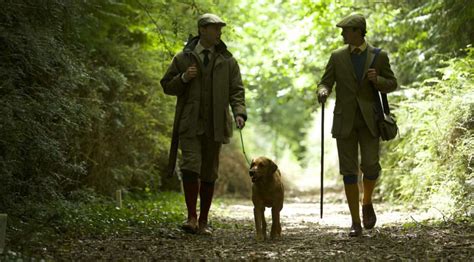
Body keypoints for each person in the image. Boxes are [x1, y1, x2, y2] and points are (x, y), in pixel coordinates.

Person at [161, 13, 246, 235]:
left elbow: (237, 91)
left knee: (209, 172)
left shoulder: (228, 61)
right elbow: (167, 86)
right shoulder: (183, 58)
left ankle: (204, 221)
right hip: (190, 123)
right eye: (215, 28)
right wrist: (183, 78)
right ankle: (191, 217)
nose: (220, 32)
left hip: (216, 124)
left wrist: (239, 113)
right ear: (202, 30)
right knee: (190, 166)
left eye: (220, 28)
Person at [317, 14, 397, 237]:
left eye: (345, 30)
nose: (342, 34)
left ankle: (367, 201)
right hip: (345, 121)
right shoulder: (337, 56)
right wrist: (323, 91)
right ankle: (355, 222)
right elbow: (325, 81)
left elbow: (392, 84)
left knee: (371, 167)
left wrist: (377, 80)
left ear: (357, 31)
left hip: (371, 121)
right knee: (348, 171)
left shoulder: (379, 56)